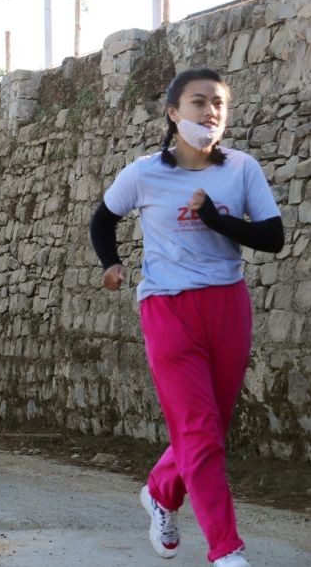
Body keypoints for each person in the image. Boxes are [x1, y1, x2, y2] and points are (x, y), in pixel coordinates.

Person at [89, 69, 284, 567]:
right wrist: (111, 263)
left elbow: (272, 237)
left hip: (227, 304)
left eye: (219, 103)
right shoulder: (143, 173)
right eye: (199, 102)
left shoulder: (242, 169)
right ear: (174, 113)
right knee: (198, 429)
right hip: (167, 306)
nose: (210, 112)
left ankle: (160, 490)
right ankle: (225, 549)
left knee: (210, 429)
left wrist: (216, 219)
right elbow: (103, 218)